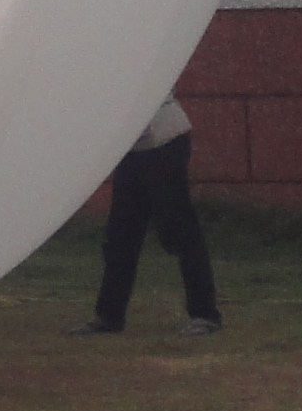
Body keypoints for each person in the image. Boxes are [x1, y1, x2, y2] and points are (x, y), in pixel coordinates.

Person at [74, 88, 221, 336]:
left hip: (163, 142)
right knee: (121, 235)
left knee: (178, 230)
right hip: (134, 147)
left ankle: (205, 314)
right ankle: (109, 316)